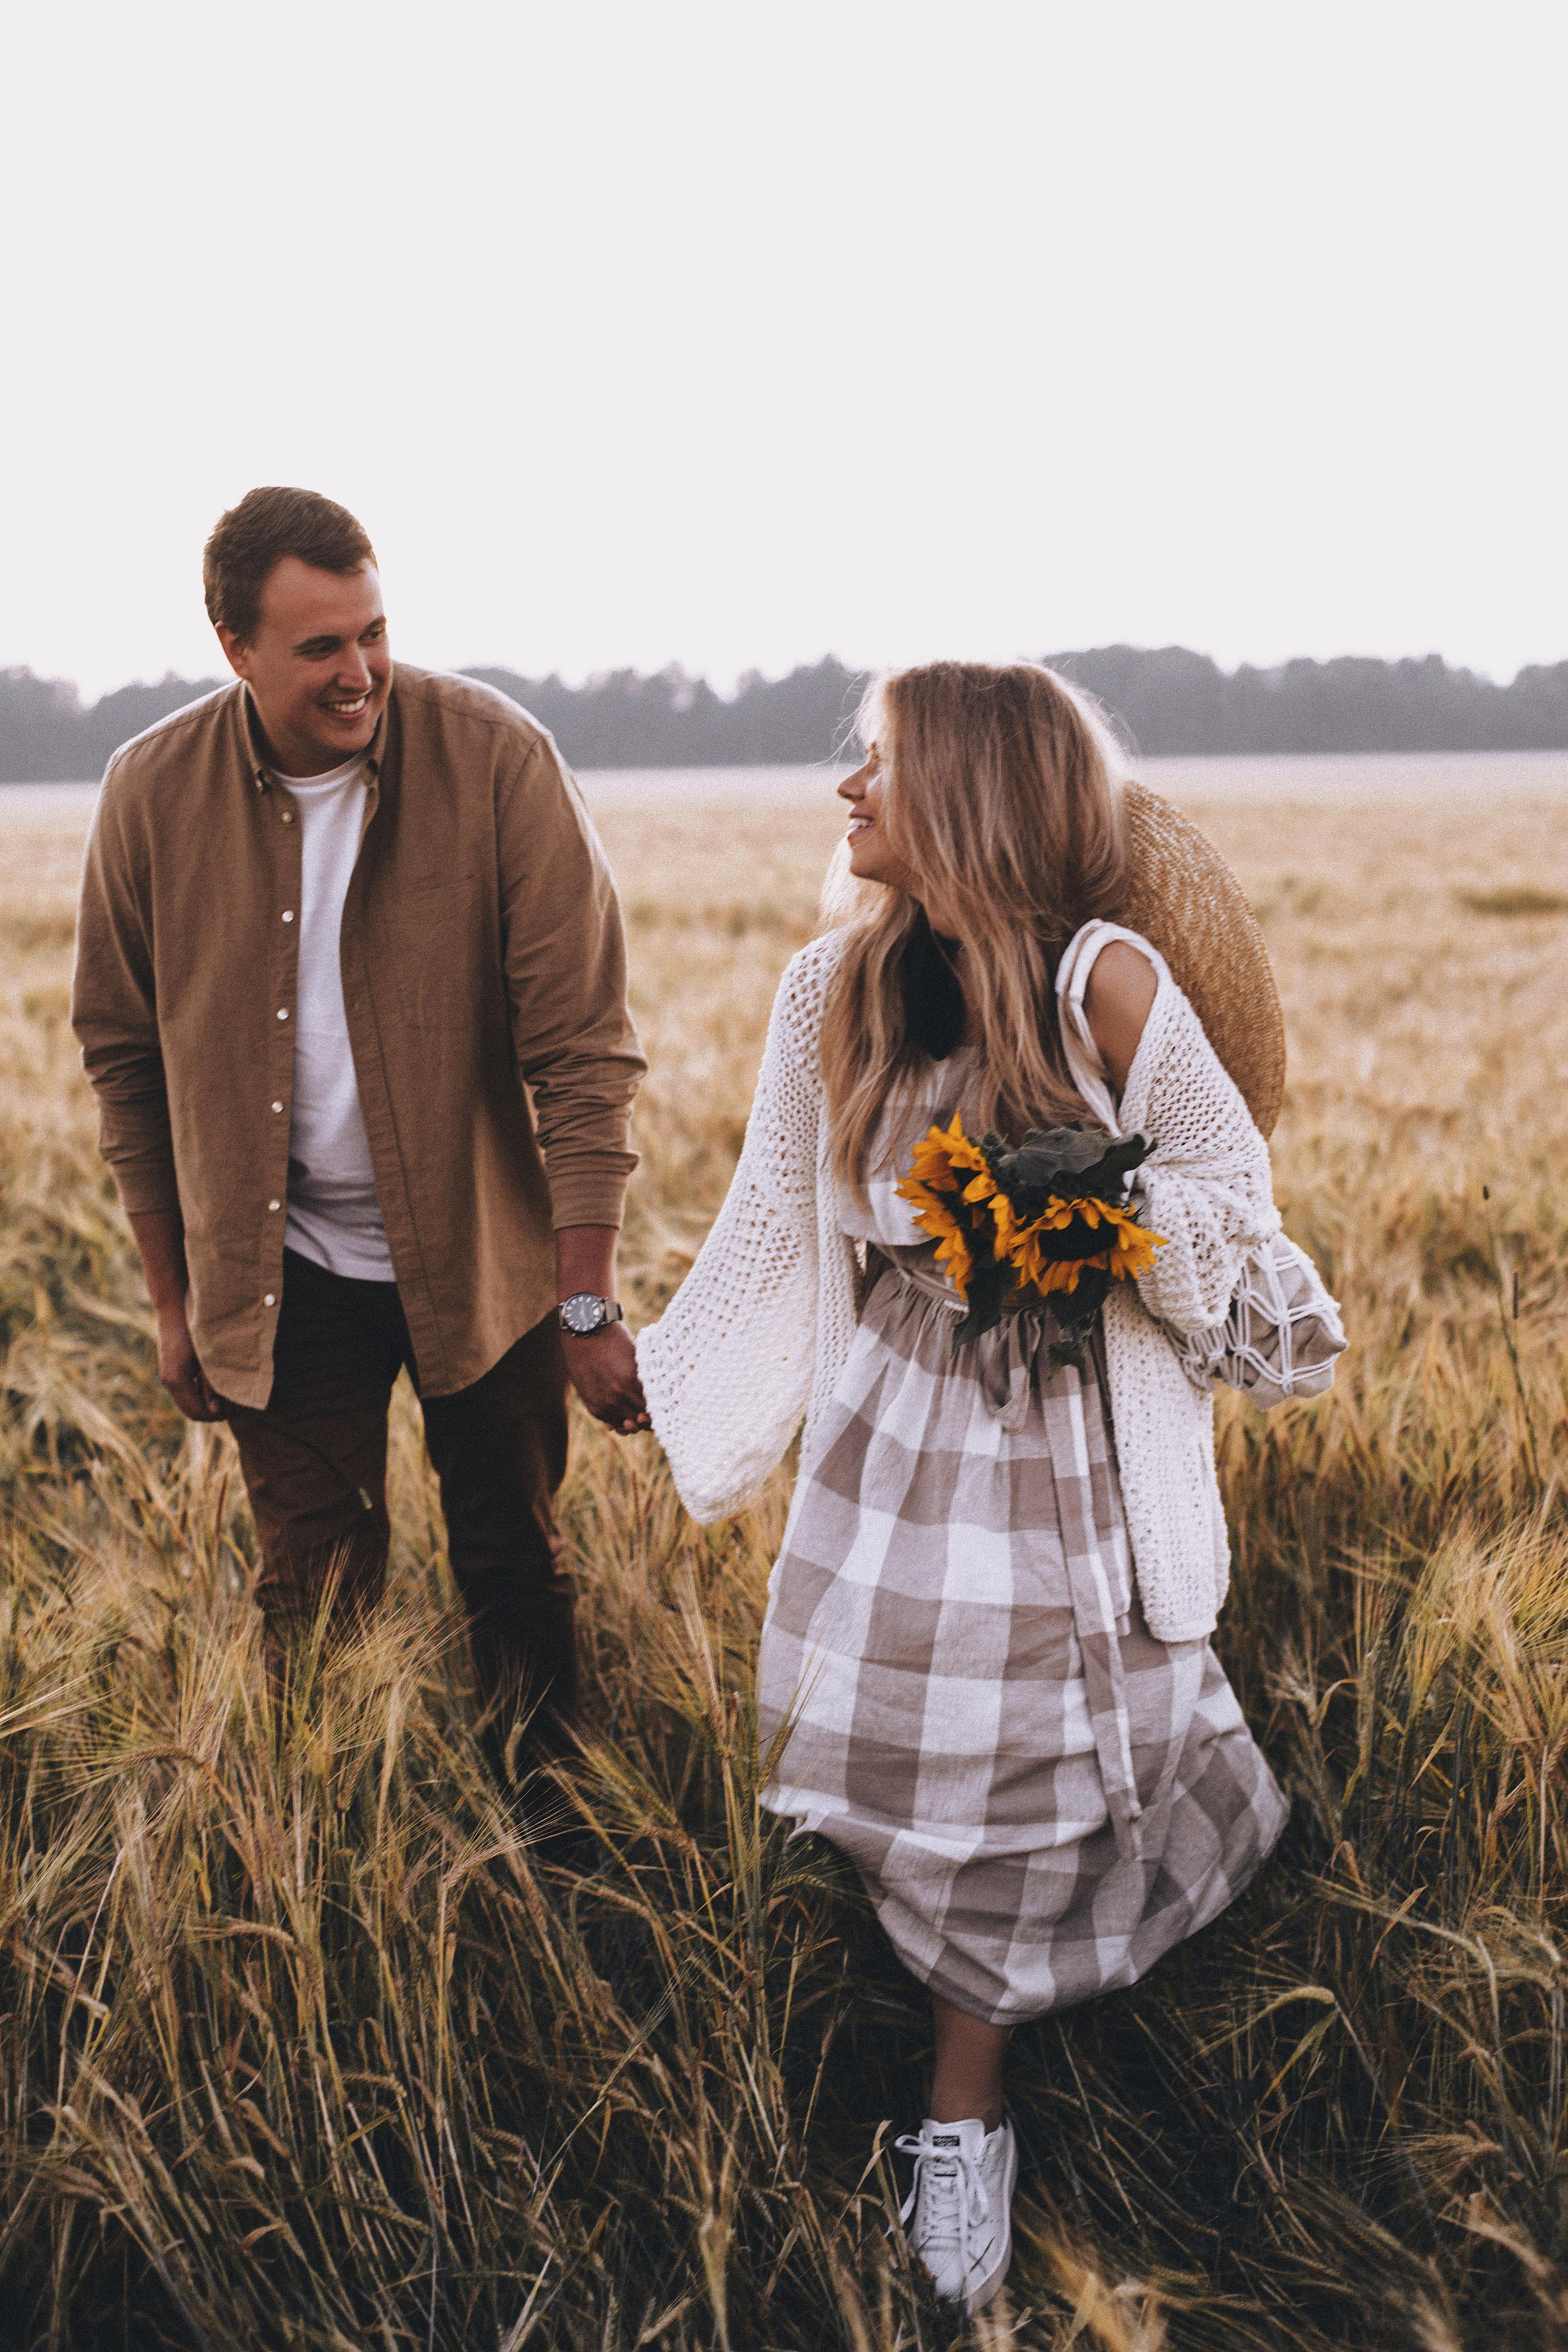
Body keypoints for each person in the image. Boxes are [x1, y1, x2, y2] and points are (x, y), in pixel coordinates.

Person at [635, 661, 1291, 2312]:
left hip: (1067, 1446)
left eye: (876, 765)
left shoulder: (1107, 989)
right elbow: (778, 1231)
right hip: (899, 1447)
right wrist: (659, 1374)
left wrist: (1106, 1232)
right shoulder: (828, 993)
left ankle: (963, 2112)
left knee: (1030, 1761)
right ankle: (976, 2052)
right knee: (915, 1767)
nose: (844, 791)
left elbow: (1236, 1194)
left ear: (972, 797)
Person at [71, 485, 649, 1790]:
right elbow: (124, 1062)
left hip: (484, 1263)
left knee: (514, 1570)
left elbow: (584, 1050)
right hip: (283, 1275)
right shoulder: (151, 794)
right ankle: (329, 1864)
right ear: (235, 649)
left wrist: (581, 1304)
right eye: (321, 647)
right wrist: (174, 1304)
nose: (360, 672)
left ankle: (557, 1857)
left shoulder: (495, 758)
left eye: (373, 634)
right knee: (314, 1601)